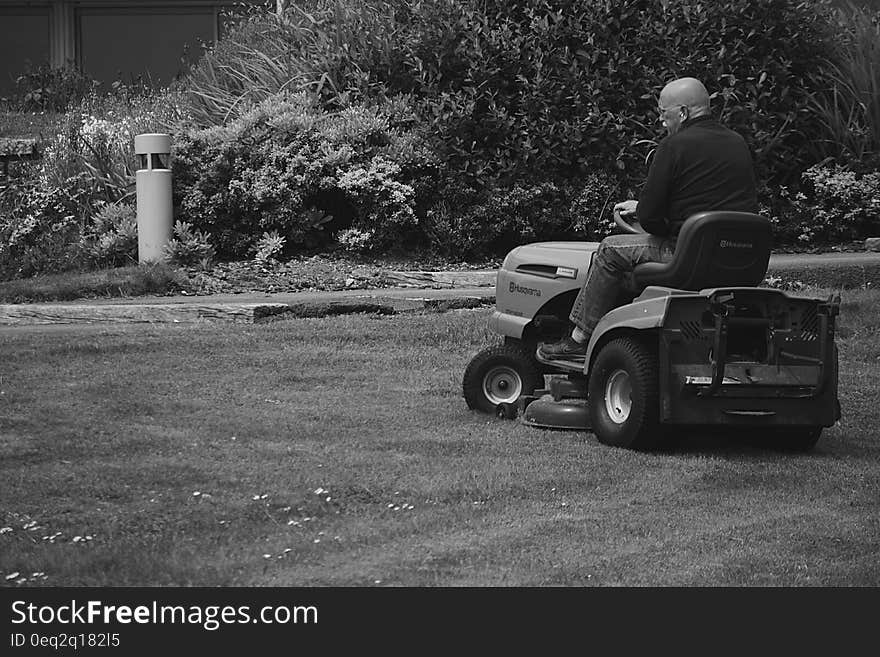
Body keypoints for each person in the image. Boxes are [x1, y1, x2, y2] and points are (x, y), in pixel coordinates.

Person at [538, 76, 759, 363]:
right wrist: (644, 207)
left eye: (663, 114)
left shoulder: (674, 146)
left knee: (609, 250)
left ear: (682, 113)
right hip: (737, 257)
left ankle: (580, 339)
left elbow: (652, 221)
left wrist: (645, 213)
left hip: (686, 256)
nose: (660, 121)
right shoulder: (737, 143)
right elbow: (710, 197)